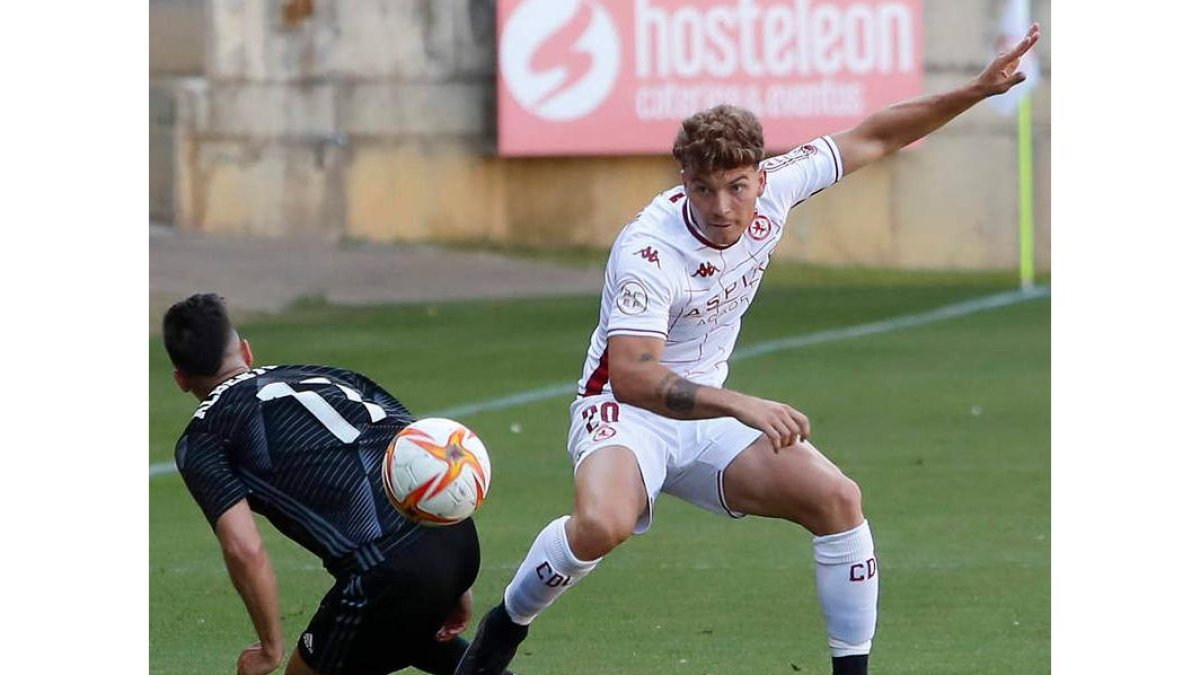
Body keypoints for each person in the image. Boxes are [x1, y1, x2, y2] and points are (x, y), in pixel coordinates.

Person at [456, 24, 1042, 675]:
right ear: (683, 180)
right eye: (703, 188)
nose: (721, 206)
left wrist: (977, 89)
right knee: (601, 525)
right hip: (627, 414)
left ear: (760, 178)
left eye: (736, 185)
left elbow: (877, 134)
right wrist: (738, 402)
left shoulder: (781, 187)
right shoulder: (649, 250)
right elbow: (632, 374)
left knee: (838, 500)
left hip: (712, 417)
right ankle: (504, 627)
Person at [163, 293, 510, 675]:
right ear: (246, 352)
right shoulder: (322, 374)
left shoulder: (205, 438)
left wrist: (269, 648)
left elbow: (245, 548)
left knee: (355, 637)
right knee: (394, 631)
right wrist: (456, 582)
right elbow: (416, 450)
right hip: (457, 538)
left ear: (181, 379)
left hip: (388, 570)